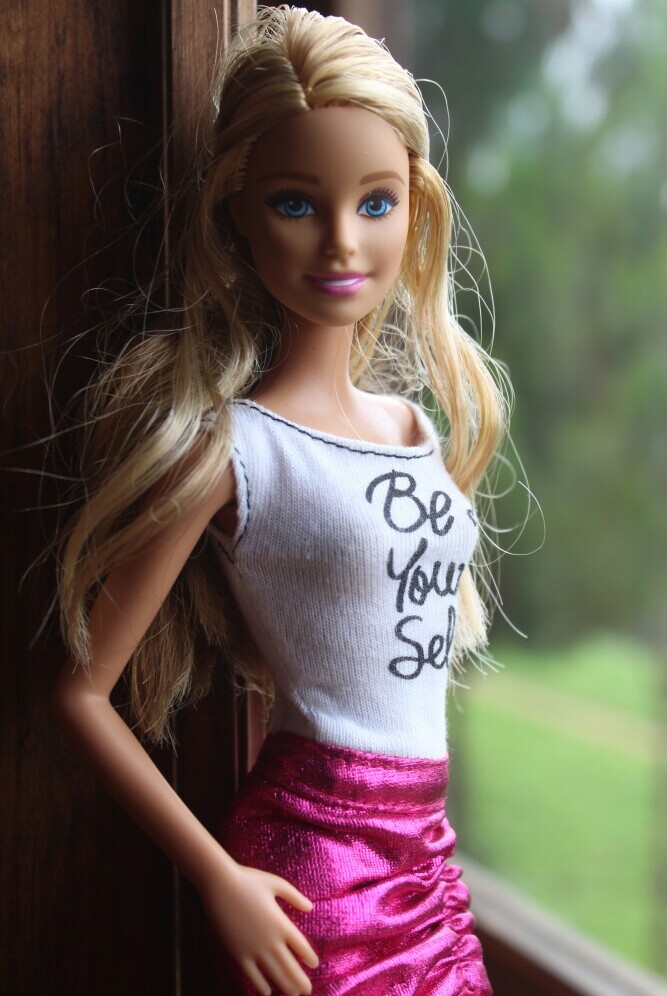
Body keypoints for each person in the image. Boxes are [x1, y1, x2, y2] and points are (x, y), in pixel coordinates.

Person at [54, 6, 510, 994]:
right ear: (236, 214)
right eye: (296, 204)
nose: (342, 241)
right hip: (315, 868)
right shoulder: (238, 448)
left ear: (414, 209)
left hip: (426, 856)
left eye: (375, 202)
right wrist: (218, 875)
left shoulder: (410, 426)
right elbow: (82, 693)